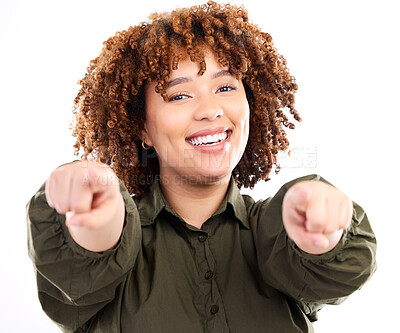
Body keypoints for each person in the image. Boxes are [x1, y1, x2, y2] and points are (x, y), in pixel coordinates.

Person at [26, 1, 377, 332]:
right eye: (179, 95)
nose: (210, 109)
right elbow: (77, 268)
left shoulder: (275, 235)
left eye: (225, 86)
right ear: (142, 127)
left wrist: (325, 233)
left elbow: (333, 271)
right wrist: (90, 222)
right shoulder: (119, 240)